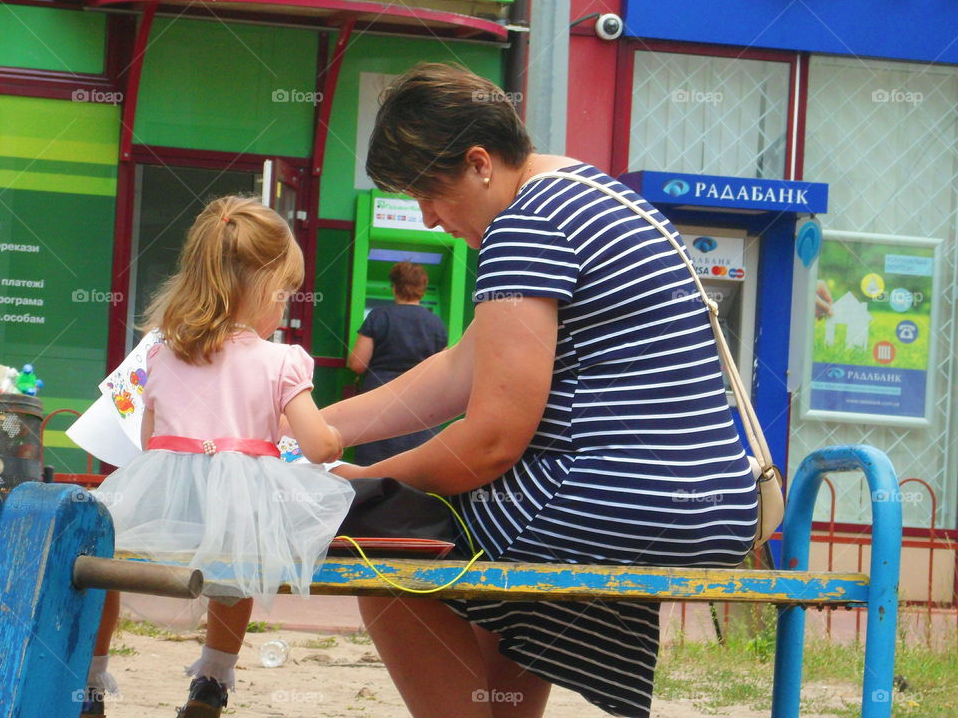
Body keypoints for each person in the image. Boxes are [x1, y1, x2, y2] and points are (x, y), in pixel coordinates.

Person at [323, 63, 759, 718]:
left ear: (478, 164)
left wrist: (364, 482)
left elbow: (495, 440)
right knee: (496, 574)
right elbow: (458, 370)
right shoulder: (589, 193)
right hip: (714, 502)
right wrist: (326, 430)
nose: (430, 220)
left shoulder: (525, 225)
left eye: (428, 195)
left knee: (384, 552)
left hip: (614, 498)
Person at [81, 196, 354, 718]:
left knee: (108, 566)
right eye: (284, 295)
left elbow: (150, 438)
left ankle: (91, 682)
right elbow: (318, 446)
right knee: (240, 567)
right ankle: (212, 680)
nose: (285, 309)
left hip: (163, 499)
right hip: (238, 503)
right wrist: (333, 437)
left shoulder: (161, 352)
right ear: (261, 289)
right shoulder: (282, 361)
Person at [347, 261, 447, 463]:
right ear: (423, 289)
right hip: (421, 402)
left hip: (379, 399)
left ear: (394, 287)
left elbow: (358, 363)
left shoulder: (379, 316)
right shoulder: (436, 323)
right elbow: (442, 370)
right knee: (415, 466)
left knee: (372, 470)